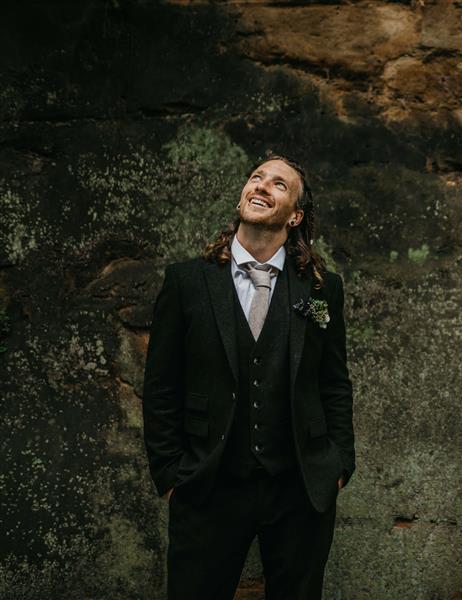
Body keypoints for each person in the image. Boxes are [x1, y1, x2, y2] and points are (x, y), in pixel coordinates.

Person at [142, 155, 355, 600]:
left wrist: (338, 466)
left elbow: (333, 381)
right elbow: (162, 386)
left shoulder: (321, 288)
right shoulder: (187, 281)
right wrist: (169, 475)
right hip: (209, 483)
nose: (260, 186)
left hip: (300, 487)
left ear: (295, 215)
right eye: (256, 177)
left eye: (278, 184)